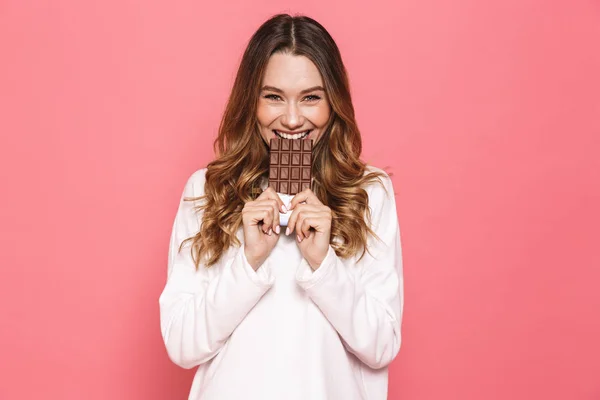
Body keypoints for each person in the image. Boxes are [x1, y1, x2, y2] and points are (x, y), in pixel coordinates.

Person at [159, 13, 404, 400]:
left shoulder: (368, 193)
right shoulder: (208, 191)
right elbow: (182, 344)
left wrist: (324, 267)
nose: (291, 119)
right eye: (273, 96)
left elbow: (382, 346)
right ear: (250, 101)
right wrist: (249, 262)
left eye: (310, 98)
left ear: (333, 101)